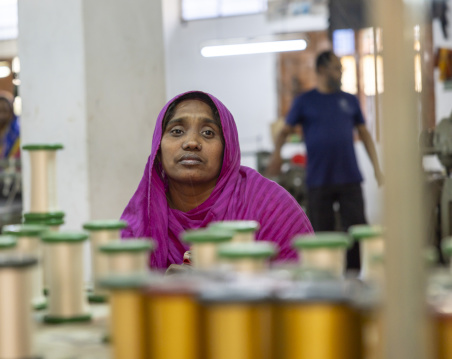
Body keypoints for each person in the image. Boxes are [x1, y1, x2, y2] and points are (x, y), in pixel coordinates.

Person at [121, 91, 313, 269]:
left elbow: (308, 287)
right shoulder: (142, 219)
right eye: (177, 131)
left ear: (227, 149)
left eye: (208, 133)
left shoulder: (269, 207)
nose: (191, 143)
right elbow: (119, 295)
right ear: (158, 148)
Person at [266, 50, 383, 269]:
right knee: (321, 235)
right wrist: (276, 156)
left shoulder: (349, 100)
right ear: (321, 70)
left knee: (356, 232)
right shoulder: (305, 101)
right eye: (337, 68)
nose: (341, 72)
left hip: (349, 178)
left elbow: (364, 133)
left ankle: (354, 277)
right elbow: (284, 131)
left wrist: (377, 168)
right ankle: (327, 280)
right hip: (319, 180)